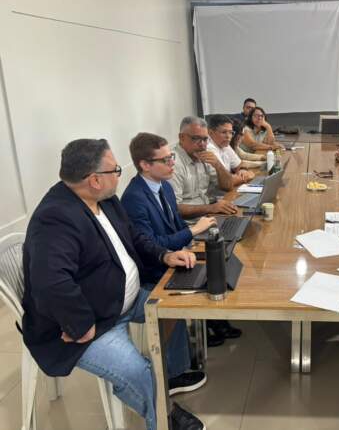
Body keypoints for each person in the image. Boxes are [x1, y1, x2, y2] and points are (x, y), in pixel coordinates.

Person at [21, 138, 207, 430]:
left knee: (177, 303)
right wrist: (81, 325)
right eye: (116, 170)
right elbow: (50, 282)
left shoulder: (104, 200)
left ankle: (168, 379)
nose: (120, 175)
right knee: (137, 370)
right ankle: (163, 415)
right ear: (95, 180)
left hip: (122, 300)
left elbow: (134, 236)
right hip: (93, 321)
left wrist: (164, 254)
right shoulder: (55, 218)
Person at [122, 132, 240, 347]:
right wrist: (193, 231)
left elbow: (176, 223)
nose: (172, 163)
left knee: (223, 257)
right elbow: (153, 246)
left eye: (172, 157)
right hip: (156, 269)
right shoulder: (134, 199)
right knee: (212, 272)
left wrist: (197, 236)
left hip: (177, 254)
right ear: (145, 165)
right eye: (165, 160)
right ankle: (200, 333)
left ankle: (211, 323)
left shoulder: (164, 185)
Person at [170, 116, 238, 221]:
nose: (202, 144)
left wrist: (218, 165)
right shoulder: (172, 163)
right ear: (181, 137)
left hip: (206, 213)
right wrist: (211, 208)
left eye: (205, 139)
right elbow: (174, 208)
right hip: (188, 222)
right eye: (195, 138)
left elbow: (228, 186)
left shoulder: (203, 154)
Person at [207, 114, 255, 186]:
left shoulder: (224, 144)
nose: (228, 136)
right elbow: (227, 181)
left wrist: (242, 170)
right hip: (216, 191)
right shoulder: (209, 148)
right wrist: (248, 175)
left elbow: (239, 165)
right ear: (211, 133)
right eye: (224, 132)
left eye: (231, 132)